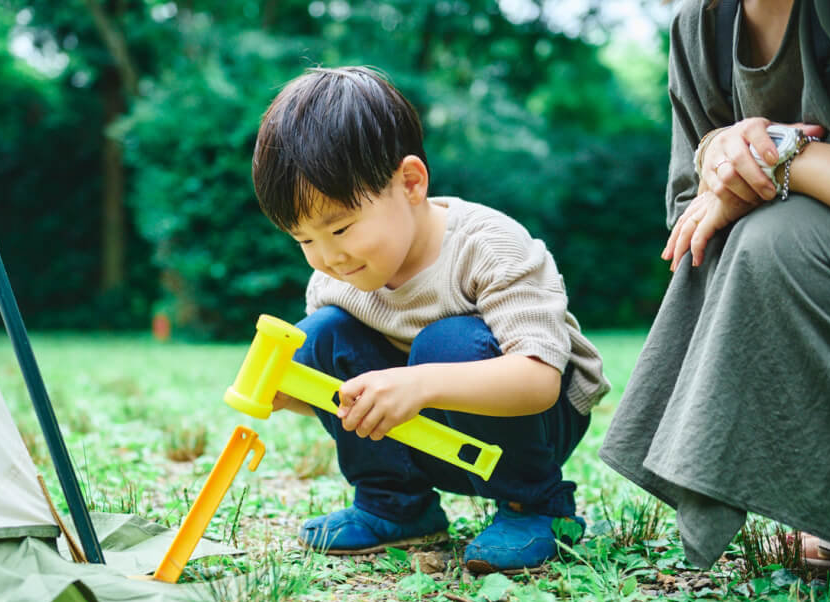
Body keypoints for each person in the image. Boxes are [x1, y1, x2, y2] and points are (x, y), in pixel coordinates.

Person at [250, 66, 611, 572]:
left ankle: (537, 506)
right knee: (319, 336)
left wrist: (420, 383)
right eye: (304, 240)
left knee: (448, 342)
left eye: (342, 227)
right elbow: (352, 399)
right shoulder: (336, 279)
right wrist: (298, 394)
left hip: (531, 419)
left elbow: (538, 380)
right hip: (426, 433)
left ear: (411, 182)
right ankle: (395, 506)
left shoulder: (487, 246)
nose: (329, 256)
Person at [599, 0, 830, 570]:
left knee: (776, 237)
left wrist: (784, 158)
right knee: (720, 245)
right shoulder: (701, 27)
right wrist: (717, 151)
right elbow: (694, 214)